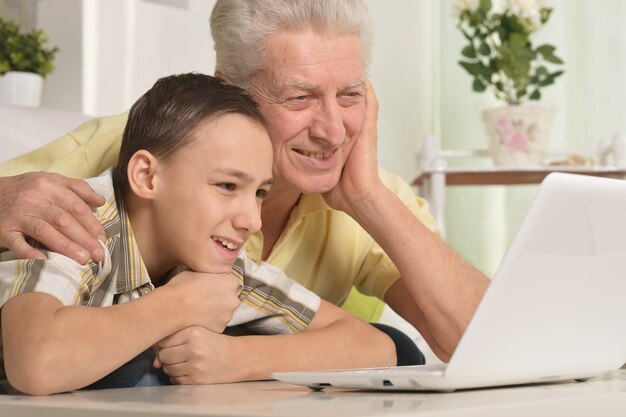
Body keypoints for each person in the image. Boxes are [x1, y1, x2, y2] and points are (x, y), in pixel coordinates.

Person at [0, 0, 490, 377]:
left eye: (350, 95)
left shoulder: (367, 192)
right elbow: (38, 354)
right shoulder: (132, 151)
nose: (334, 131)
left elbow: (485, 343)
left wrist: (366, 199)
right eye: (300, 96)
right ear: (230, 92)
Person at [0, 73, 395, 395]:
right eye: (227, 186)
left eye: (259, 192)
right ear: (146, 176)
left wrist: (234, 358)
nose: (252, 221)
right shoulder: (70, 221)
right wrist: (177, 305)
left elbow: (375, 346)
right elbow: (38, 364)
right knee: (141, 373)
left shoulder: (212, 259)